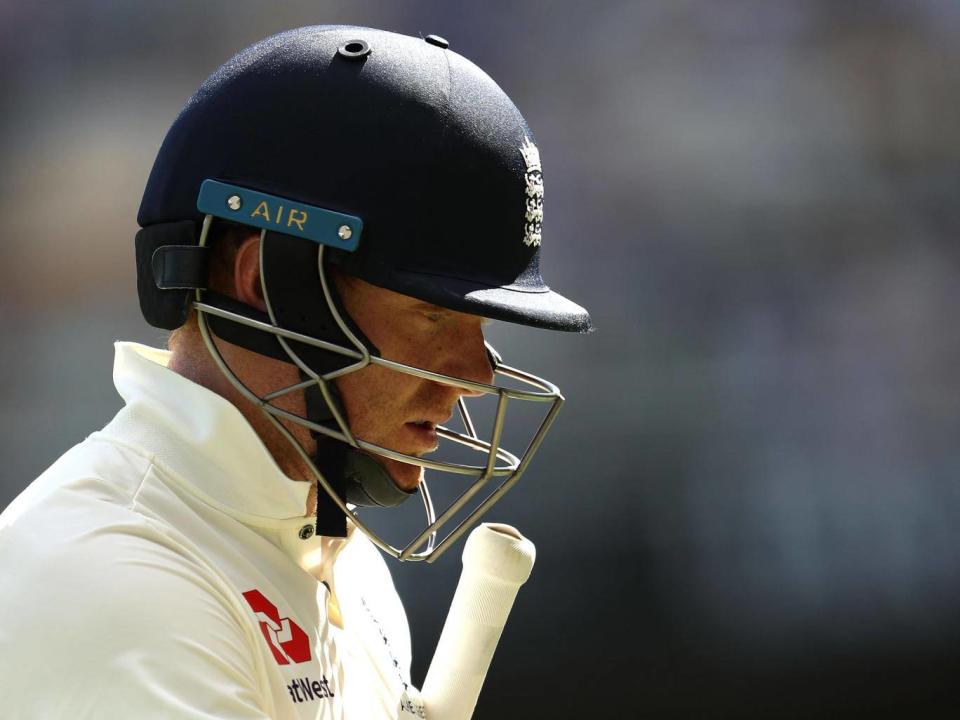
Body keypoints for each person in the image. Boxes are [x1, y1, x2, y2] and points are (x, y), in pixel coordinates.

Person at [0, 25, 590, 719]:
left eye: (480, 325)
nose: (474, 376)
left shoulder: (344, 564)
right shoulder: (110, 579)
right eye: (433, 316)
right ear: (267, 284)